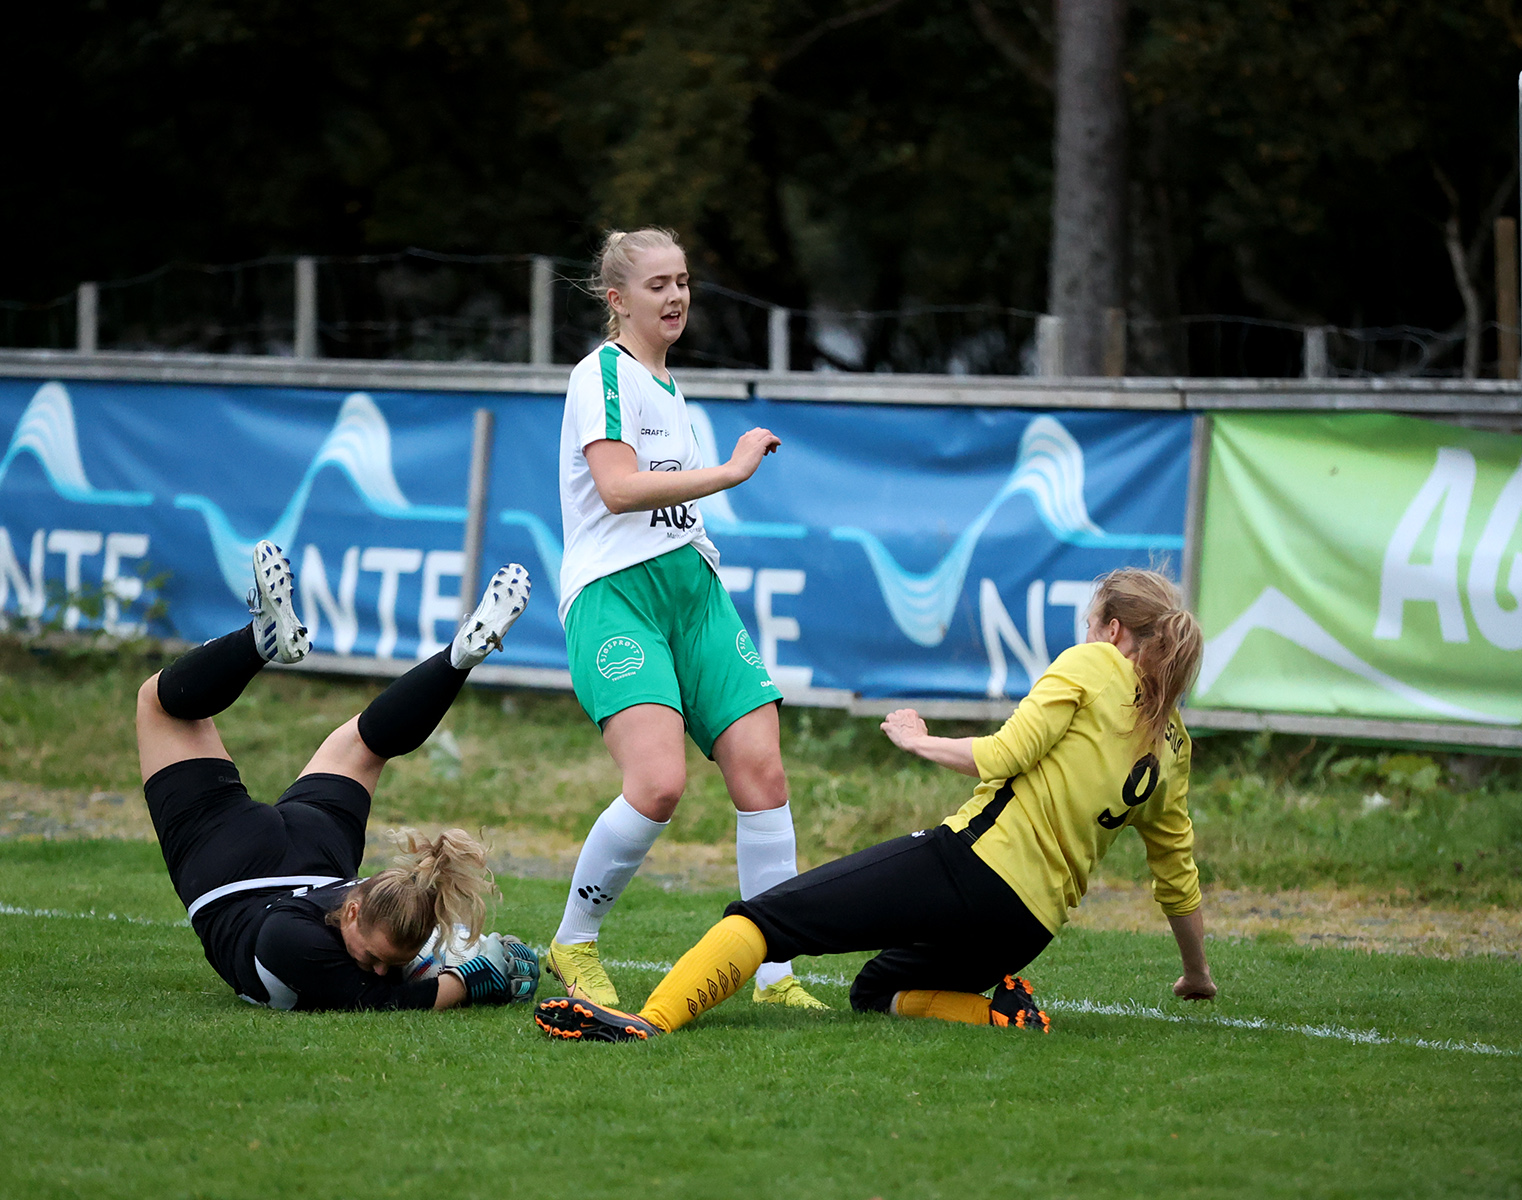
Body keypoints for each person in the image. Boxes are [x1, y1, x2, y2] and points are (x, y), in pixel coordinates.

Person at [534, 567, 1217, 1042]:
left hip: (972, 867)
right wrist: (1196, 974)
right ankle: (1000, 1016)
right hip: (1027, 928)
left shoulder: (1095, 663)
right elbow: (1176, 877)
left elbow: (1007, 753)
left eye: (1093, 622)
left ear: (1115, 631)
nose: (1090, 633)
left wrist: (920, 741)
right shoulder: (1176, 742)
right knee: (874, 991)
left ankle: (649, 1022)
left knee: (764, 917)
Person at [542, 227, 826, 1012]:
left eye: (683, 281)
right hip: (617, 595)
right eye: (658, 284)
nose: (676, 297)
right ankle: (572, 942)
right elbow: (617, 489)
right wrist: (730, 471)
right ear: (618, 299)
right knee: (659, 783)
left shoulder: (671, 389)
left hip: (693, 591)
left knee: (763, 772)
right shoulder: (603, 372)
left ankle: (774, 975)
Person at [138, 539, 539, 1011]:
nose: (379, 971)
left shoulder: (307, 934)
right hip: (252, 862)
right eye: (374, 958)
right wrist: (476, 975)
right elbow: (395, 996)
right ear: (352, 906)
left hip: (282, 856)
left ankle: (265, 641)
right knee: (364, 745)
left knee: (167, 706)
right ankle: (455, 660)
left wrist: (474, 970)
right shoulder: (307, 935)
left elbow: (390, 992)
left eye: (388, 963)